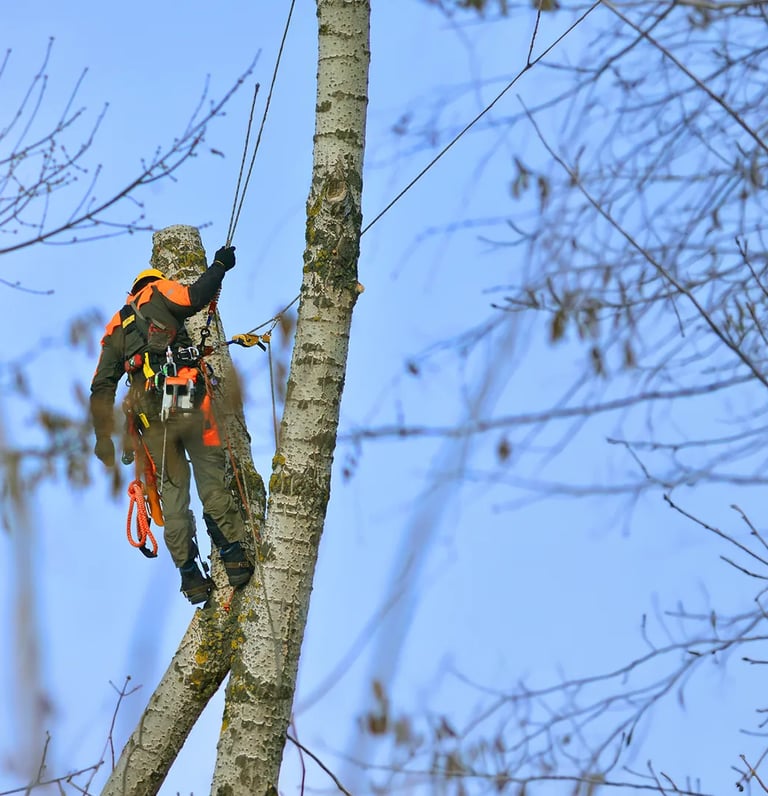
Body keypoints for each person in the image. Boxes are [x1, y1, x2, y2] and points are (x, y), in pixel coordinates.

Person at [90, 245, 253, 604]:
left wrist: (102, 437)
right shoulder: (159, 291)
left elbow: (102, 385)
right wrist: (220, 266)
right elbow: (194, 297)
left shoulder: (115, 327)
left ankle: (190, 575)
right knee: (210, 474)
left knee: (173, 494)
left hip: (149, 418)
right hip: (182, 397)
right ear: (153, 282)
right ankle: (234, 554)